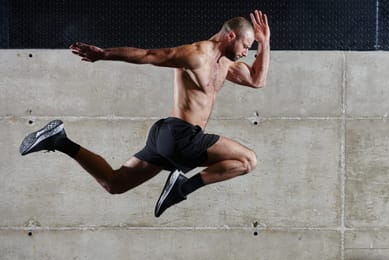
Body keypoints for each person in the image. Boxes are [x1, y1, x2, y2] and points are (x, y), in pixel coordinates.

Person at [19, 10, 270, 217]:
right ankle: (183, 187)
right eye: (246, 45)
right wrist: (104, 55)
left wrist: (264, 42)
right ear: (230, 35)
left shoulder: (226, 65)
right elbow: (150, 55)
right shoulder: (197, 54)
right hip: (181, 135)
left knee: (114, 183)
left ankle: (59, 140)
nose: (246, 52)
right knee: (248, 161)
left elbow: (258, 81)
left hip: (167, 138)